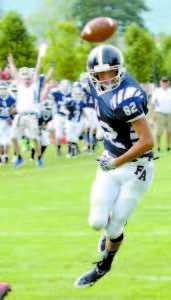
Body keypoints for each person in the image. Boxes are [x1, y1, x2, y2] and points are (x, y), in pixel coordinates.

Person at [75, 45, 155, 289]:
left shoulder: (128, 96)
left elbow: (148, 141)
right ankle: (110, 232)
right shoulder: (92, 84)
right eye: (101, 74)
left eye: (111, 72)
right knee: (96, 222)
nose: (107, 79)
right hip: (110, 159)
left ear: (120, 70)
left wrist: (115, 161)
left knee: (113, 227)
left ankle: (103, 266)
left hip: (136, 168)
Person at [8, 53, 43, 168]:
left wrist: (39, 57)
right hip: (20, 116)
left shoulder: (34, 86)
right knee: (13, 137)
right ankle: (19, 157)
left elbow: (37, 69)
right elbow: (14, 74)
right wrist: (11, 62)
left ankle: (39, 158)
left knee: (34, 138)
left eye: (29, 78)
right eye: (25, 79)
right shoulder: (20, 86)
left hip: (31, 116)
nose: (27, 80)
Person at [151, 76, 171, 152]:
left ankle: (168, 147)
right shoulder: (157, 91)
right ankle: (158, 147)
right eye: (163, 82)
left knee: (169, 131)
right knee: (159, 132)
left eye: (166, 82)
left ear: (168, 83)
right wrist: (153, 114)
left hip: (169, 114)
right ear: (161, 83)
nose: (165, 83)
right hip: (159, 114)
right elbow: (152, 104)